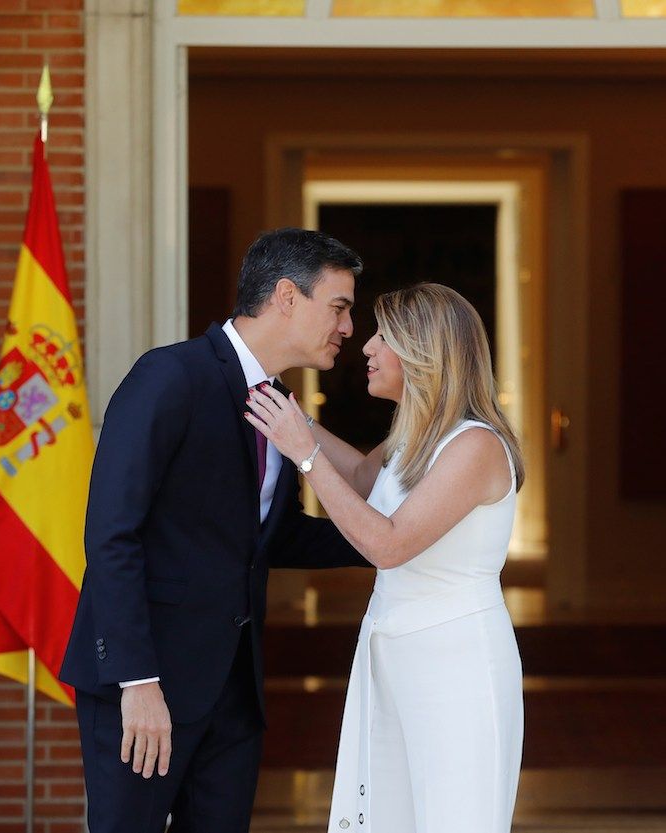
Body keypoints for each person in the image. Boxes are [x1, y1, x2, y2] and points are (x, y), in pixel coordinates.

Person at [60, 228, 370, 833]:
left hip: (233, 695)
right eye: (339, 306)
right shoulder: (169, 377)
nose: (348, 327)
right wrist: (138, 680)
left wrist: (393, 539)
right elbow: (110, 535)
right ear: (286, 296)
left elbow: (264, 540)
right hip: (144, 687)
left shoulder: (278, 404)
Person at [247, 282, 526, 833]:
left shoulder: (476, 445)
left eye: (384, 337)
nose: (367, 347)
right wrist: (287, 416)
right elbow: (359, 477)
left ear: (425, 351)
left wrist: (302, 454)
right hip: (392, 651)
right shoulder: (414, 438)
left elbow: (388, 544)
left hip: (457, 664)